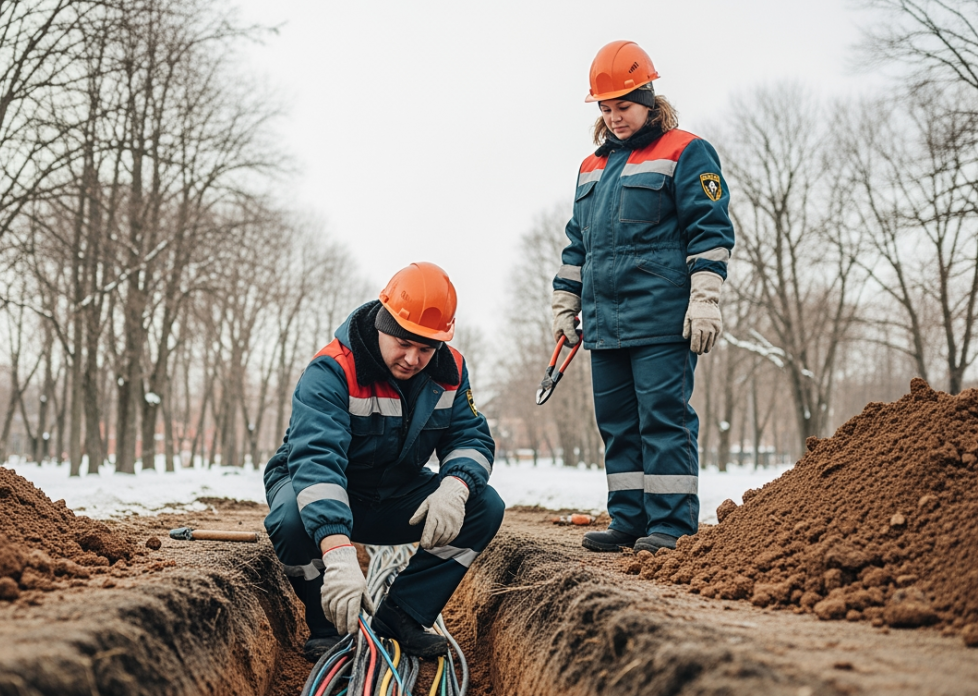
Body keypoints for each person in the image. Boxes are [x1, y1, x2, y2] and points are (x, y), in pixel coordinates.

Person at [263, 262, 503, 661]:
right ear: (383, 324)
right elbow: (318, 462)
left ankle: (403, 615)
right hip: (324, 487)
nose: (412, 359)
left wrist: (455, 487)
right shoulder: (332, 370)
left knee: (485, 506)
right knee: (290, 519)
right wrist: (338, 552)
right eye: (404, 344)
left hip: (394, 493)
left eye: (425, 349)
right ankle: (327, 625)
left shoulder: (451, 371)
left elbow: (470, 437)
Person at [550, 40, 734, 554]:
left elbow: (710, 231)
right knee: (618, 427)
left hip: (659, 319)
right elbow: (577, 244)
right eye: (605, 109)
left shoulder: (685, 151)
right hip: (604, 325)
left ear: (649, 99)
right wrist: (566, 303)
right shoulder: (590, 166)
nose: (614, 118)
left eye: (623, 107)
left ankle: (672, 526)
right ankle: (628, 520)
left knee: (663, 420)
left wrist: (706, 299)